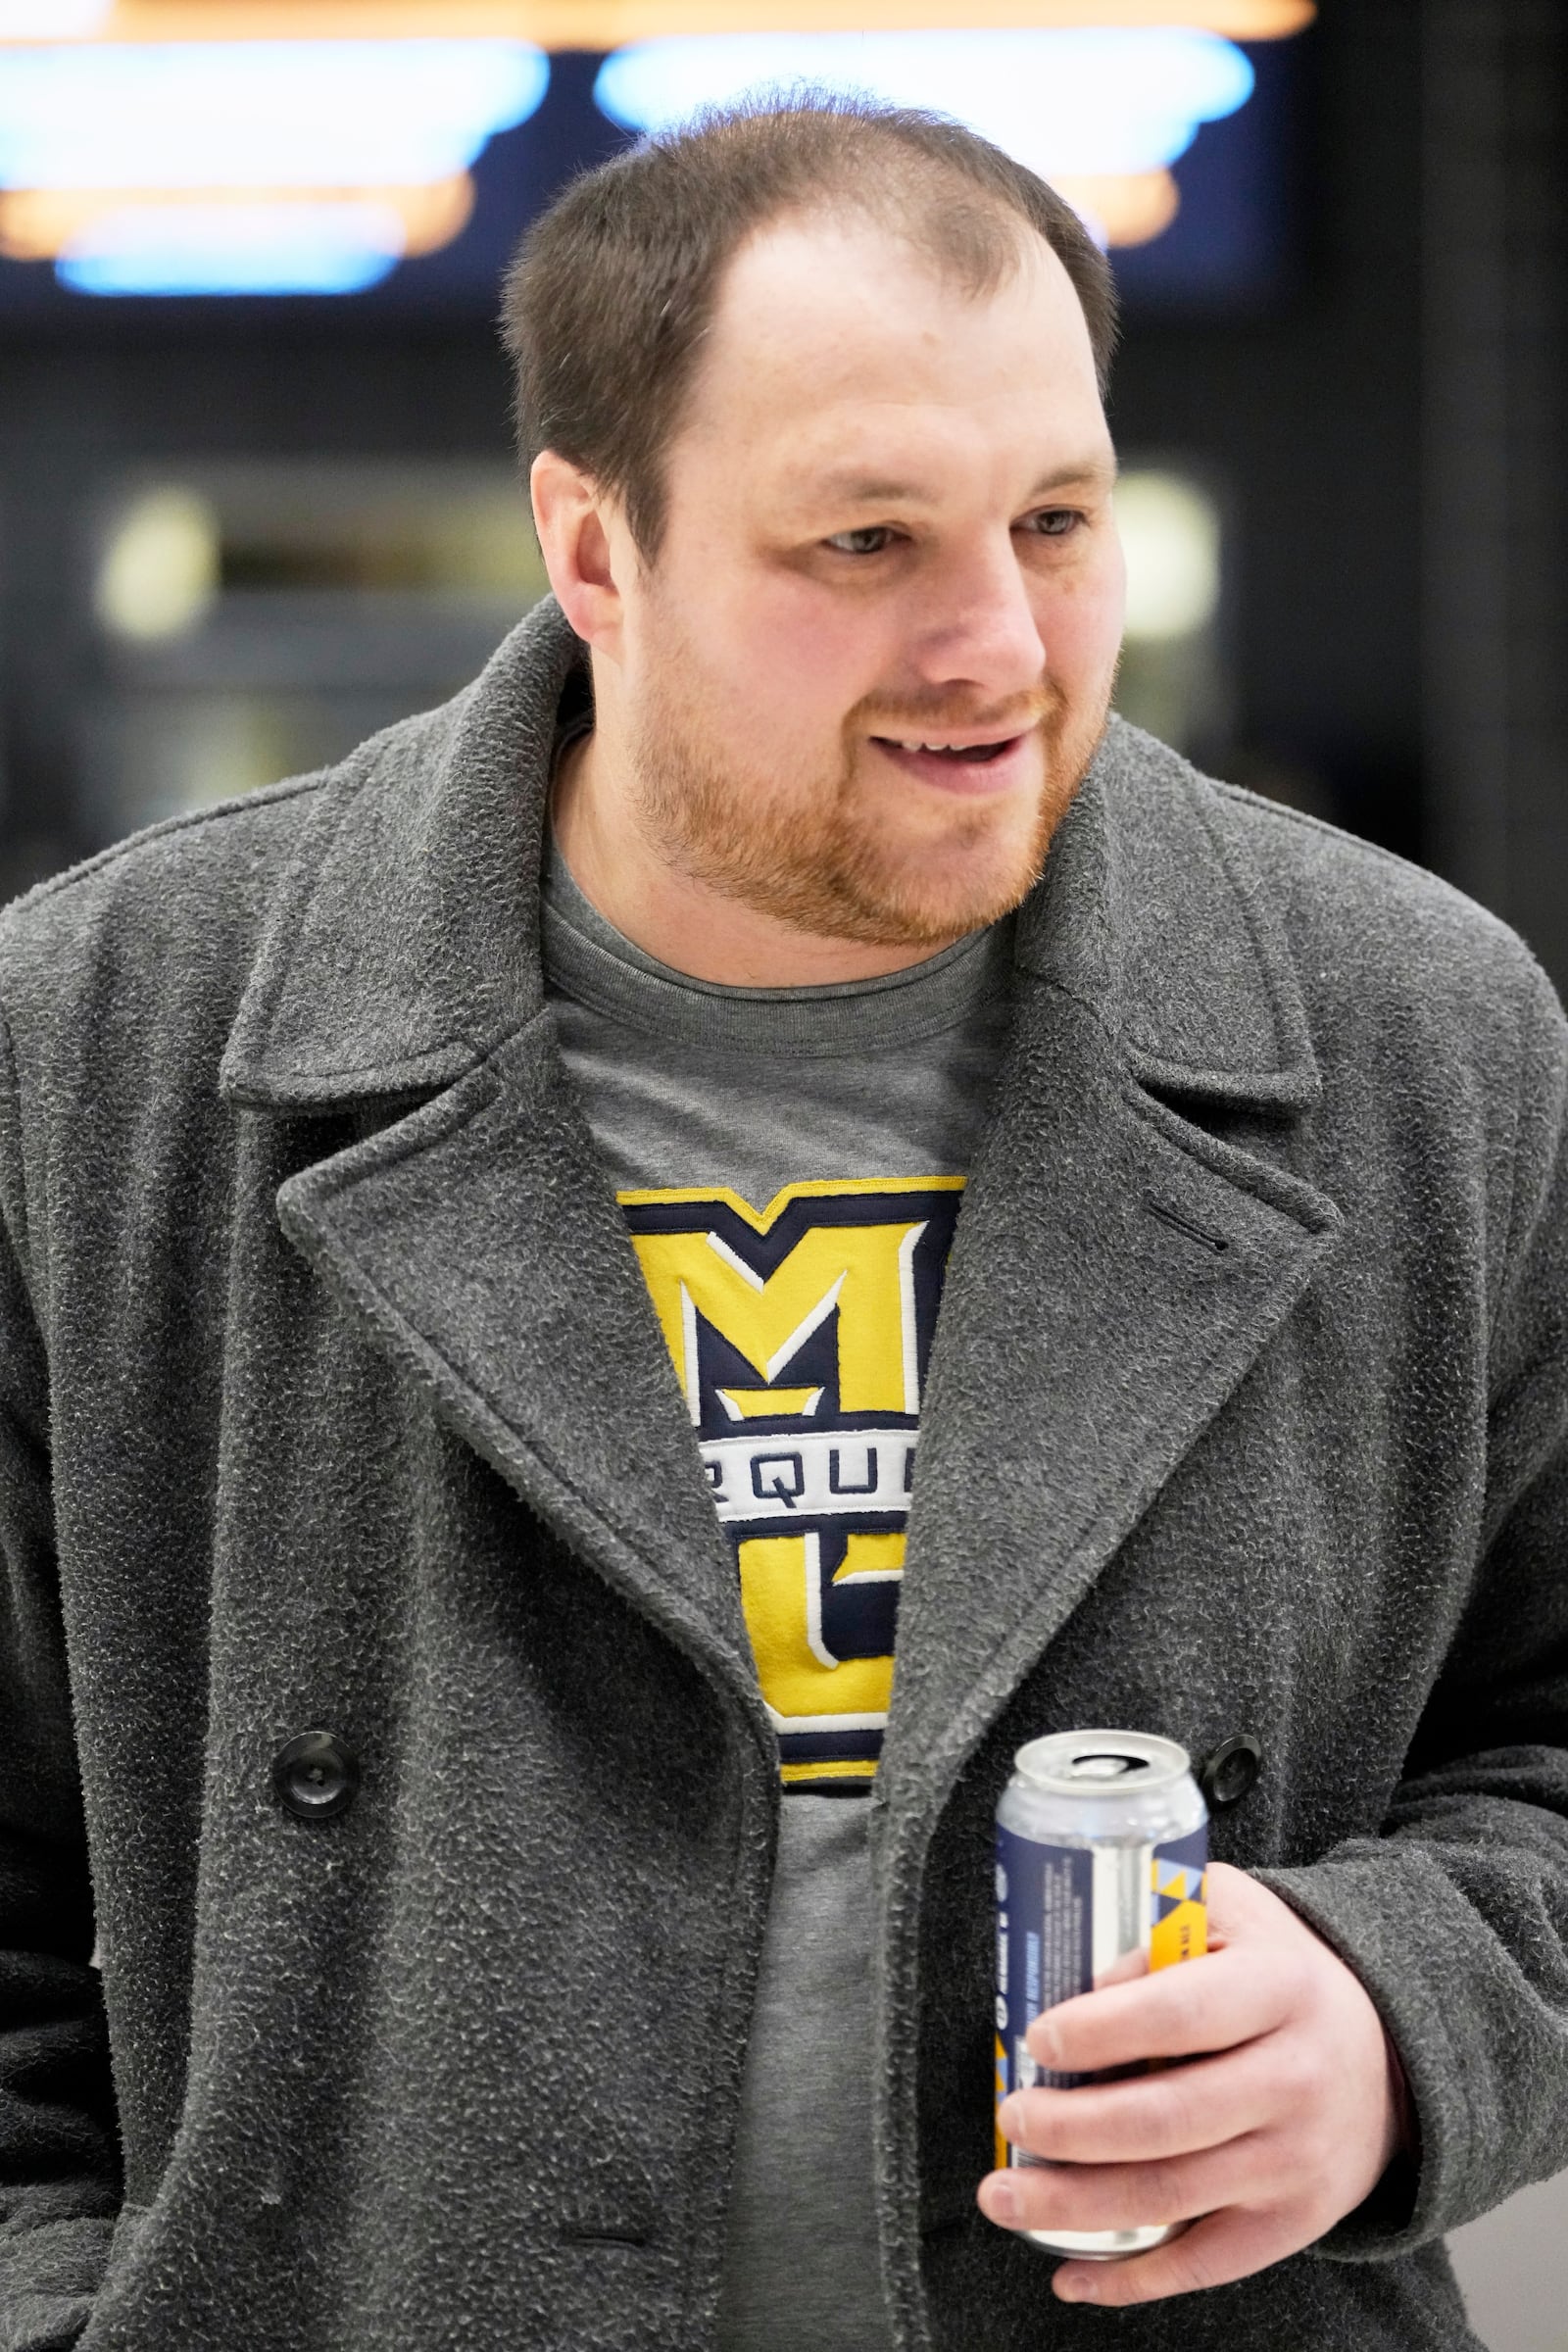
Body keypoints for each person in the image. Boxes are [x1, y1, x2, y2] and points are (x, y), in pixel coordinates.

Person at [1, 95, 1565, 2352]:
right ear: (592, 549)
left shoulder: (1419, 1043)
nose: (993, 649)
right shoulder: (111, 1042)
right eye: (860, 543)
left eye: (1051, 520)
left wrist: (1408, 2021)